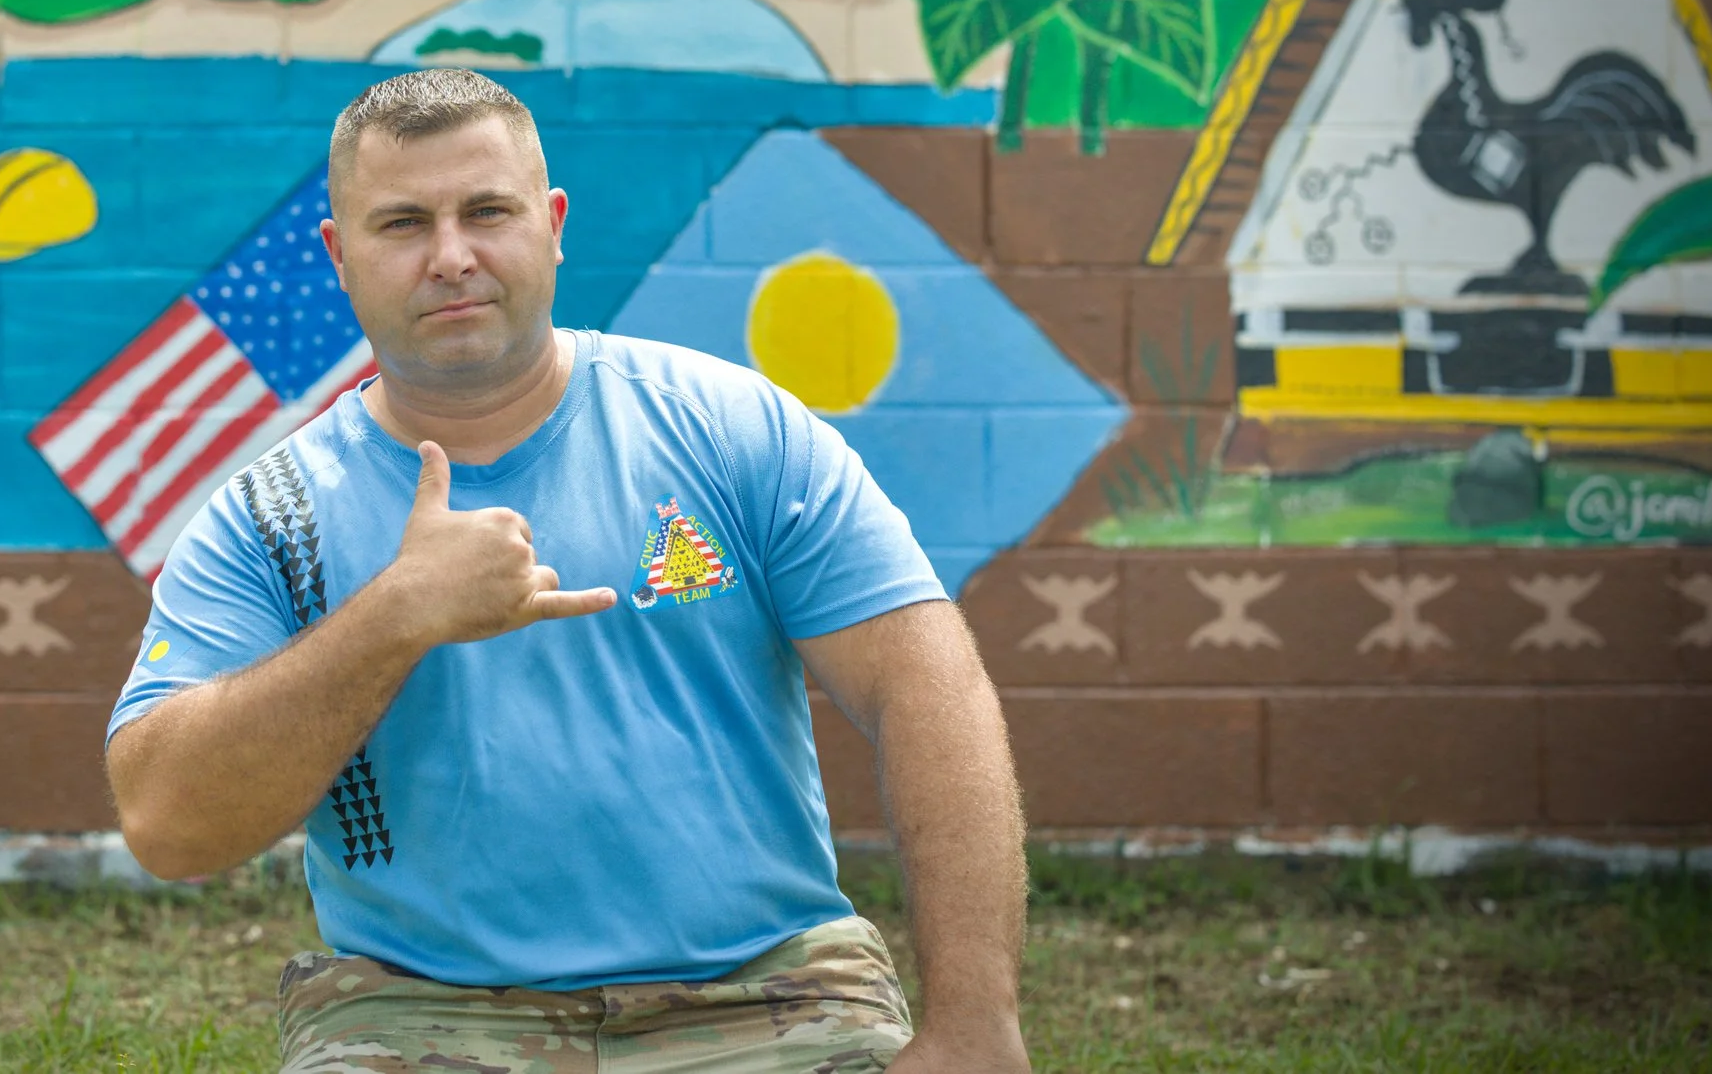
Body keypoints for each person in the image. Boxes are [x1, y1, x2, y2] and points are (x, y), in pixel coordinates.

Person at [105, 69, 1033, 1074]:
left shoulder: (730, 429)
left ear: (550, 225)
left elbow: (926, 685)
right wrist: (392, 617)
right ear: (340, 256)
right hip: (423, 1015)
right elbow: (167, 824)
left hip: (768, 990)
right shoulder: (267, 519)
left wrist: (974, 1026)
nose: (452, 256)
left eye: (487, 212)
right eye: (403, 223)